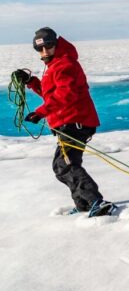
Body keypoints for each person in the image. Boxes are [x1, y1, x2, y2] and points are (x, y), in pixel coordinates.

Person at [14, 28, 116, 217]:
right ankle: (84, 204)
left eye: (48, 46)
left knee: (64, 165)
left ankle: (96, 203)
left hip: (75, 122)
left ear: (56, 44)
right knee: (66, 164)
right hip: (69, 122)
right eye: (40, 49)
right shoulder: (55, 65)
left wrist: (40, 112)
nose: (45, 52)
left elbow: (65, 95)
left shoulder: (65, 64)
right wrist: (31, 81)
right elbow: (51, 93)